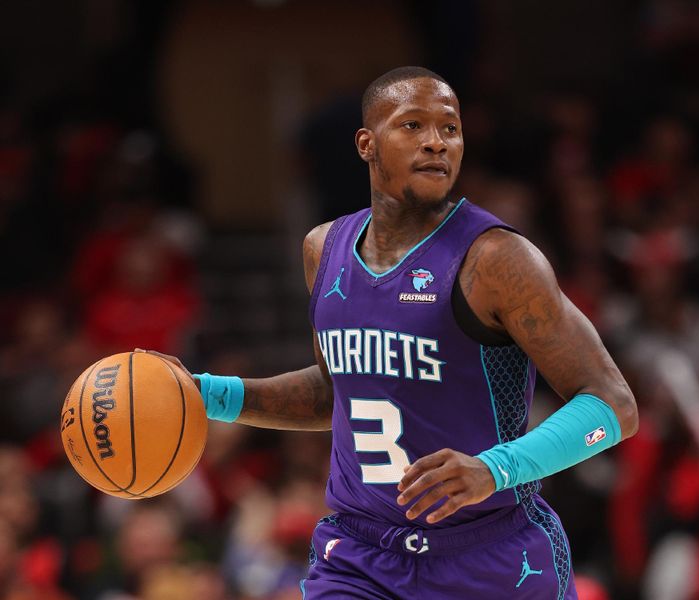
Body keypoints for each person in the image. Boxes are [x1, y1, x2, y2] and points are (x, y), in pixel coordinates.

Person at [144, 66, 638, 599]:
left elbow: (613, 406)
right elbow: (340, 392)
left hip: (488, 555)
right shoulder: (323, 249)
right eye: (412, 126)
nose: (435, 143)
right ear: (366, 143)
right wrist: (208, 395)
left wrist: (495, 469)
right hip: (363, 556)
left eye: (450, 129)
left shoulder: (496, 259)